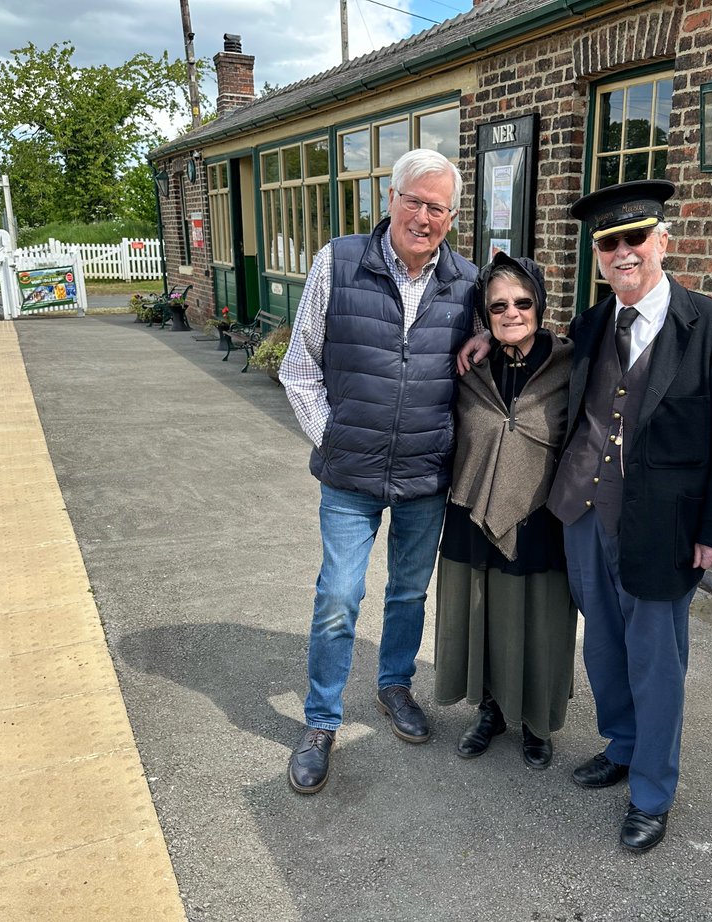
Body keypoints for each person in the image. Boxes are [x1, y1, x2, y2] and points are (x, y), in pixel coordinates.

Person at [545, 179, 712, 851]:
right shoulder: (590, 324)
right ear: (598, 256)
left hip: (666, 527)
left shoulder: (709, 327)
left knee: (657, 662)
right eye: (609, 243)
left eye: (635, 237)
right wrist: (486, 344)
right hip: (584, 512)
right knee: (604, 645)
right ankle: (623, 745)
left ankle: (653, 791)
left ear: (663, 241)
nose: (623, 252)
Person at [278, 149, 479, 795]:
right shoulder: (337, 262)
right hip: (349, 478)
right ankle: (320, 721)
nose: (424, 217)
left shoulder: (468, 283)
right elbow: (299, 368)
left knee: (408, 593)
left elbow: (506, 344)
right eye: (413, 201)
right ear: (389, 199)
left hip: (425, 475)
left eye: (437, 207)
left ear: (453, 217)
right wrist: (333, 440)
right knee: (339, 596)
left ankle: (395, 685)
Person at [434, 252, 575, 770]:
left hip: (543, 516)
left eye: (522, 302)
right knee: (482, 616)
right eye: (498, 306)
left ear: (540, 304)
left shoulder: (570, 365)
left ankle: (537, 721)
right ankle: (490, 710)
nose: (511, 313)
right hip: (472, 509)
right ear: (485, 315)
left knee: (541, 621)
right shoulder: (471, 367)